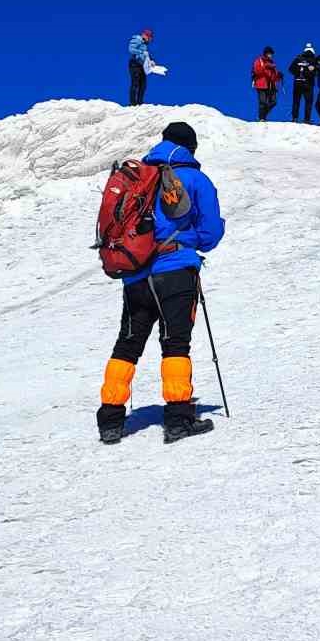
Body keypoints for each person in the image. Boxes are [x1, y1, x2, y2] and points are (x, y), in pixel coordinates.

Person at [97, 122, 226, 445]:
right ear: (190, 148)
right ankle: (178, 418)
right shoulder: (195, 179)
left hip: (136, 274)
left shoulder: (140, 177)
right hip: (176, 271)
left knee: (127, 344)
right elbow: (210, 235)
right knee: (175, 343)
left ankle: (111, 420)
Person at [289, 44, 319, 123]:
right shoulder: (314, 60)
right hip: (308, 83)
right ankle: (307, 119)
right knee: (308, 102)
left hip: (297, 82)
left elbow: (290, 69)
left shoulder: (298, 58)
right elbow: (316, 72)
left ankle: (294, 118)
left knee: (296, 101)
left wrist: (298, 73)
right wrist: (309, 73)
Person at [252, 47, 282, 122]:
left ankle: (263, 116)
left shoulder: (272, 64)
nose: (271, 55)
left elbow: (274, 77)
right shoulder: (259, 61)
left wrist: (279, 76)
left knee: (273, 102)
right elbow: (257, 71)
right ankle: (262, 117)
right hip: (261, 83)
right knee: (263, 102)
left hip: (271, 85)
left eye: (271, 54)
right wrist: (266, 66)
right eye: (269, 53)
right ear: (265, 53)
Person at [127, 29, 154, 106]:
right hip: (134, 64)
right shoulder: (137, 39)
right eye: (149, 38)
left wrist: (151, 61)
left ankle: (140, 102)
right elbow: (131, 49)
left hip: (142, 65)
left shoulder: (144, 45)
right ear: (145, 36)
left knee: (143, 84)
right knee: (135, 83)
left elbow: (145, 56)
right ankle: (133, 103)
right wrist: (142, 52)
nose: (149, 40)